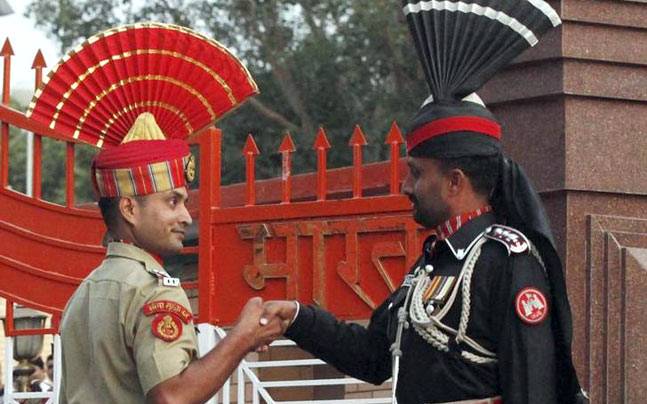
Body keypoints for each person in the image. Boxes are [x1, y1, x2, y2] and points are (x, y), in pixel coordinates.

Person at [262, 1, 585, 403]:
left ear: (454, 182)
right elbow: (373, 357)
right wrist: (296, 316)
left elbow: (533, 389)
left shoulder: (508, 261)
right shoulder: (431, 263)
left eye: (416, 173)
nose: (405, 186)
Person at [24, 23, 286, 403]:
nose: (185, 217)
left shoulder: (86, 292)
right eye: (172, 201)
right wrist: (242, 338)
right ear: (129, 207)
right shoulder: (151, 290)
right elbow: (172, 396)